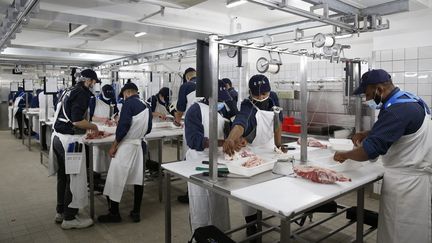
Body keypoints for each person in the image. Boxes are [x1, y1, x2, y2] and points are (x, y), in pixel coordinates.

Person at [333, 69, 432, 243]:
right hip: (418, 177)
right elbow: (403, 129)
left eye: (368, 93)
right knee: (416, 231)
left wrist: (345, 155)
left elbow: (368, 152)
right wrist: (370, 132)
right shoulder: (410, 99)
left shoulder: (396, 110)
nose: (367, 99)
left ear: (379, 88)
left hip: (405, 185)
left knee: (399, 232)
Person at [223, 74, 285, 239]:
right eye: (256, 95)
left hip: (271, 148)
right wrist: (231, 138)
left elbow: (278, 122)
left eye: (264, 94)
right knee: (249, 190)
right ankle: (251, 224)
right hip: (254, 151)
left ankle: (268, 214)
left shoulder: (273, 99)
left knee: (272, 186)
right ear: (250, 92)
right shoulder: (247, 104)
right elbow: (240, 123)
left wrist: (279, 145)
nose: (261, 97)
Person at [49, 69, 100, 229]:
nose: (93, 85)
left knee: (63, 177)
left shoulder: (69, 90)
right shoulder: (82, 93)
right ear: (89, 81)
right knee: (75, 177)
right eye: (93, 82)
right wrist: (94, 127)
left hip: (57, 137)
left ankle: (61, 211)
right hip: (70, 142)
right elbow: (77, 121)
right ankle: (69, 218)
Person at [185, 79, 237, 233]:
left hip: (218, 162)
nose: (222, 102)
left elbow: (227, 132)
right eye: (219, 99)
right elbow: (194, 141)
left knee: (218, 202)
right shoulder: (195, 110)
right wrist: (225, 142)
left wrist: (233, 141)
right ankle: (202, 235)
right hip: (198, 162)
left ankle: (220, 235)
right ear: (209, 97)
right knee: (201, 205)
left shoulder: (220, 111)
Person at [98, 82, 152, 223]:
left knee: (115, 178)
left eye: (124, 95)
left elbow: (123, 127)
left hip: (127, 145)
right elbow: (149, 128)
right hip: (139, 146)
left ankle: (114, 213)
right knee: (138, 179)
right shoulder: (147, 104)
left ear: (127, 92)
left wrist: (114, 145)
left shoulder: (128, 104)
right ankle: (136, 212)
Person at [175, 67, 197, 204]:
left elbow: (180, 109)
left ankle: (190, 193)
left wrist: (177, 120)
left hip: (191, 128)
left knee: (191, 158)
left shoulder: (186, 86)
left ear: (187, 77)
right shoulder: (208, 84)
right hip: (211, 126)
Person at [146, 87, 171, 173]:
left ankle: (157, 166)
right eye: (164, 97)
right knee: (152, 148)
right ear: (160, 95)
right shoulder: (153, 99)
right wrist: (159, 114)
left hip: (160, 127)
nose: (165, 100)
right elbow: (148, 112)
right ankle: (152, 167)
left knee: (158, 149)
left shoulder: (164, 102)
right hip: (152, 128)